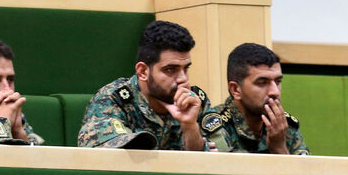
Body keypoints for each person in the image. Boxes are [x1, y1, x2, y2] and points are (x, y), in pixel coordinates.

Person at [78, 20, 209, 150]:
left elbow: (218, 161)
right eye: (170, 69)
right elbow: (102, 159)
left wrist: (190, 127)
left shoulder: (195, 101)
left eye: (185, 69)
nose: (183, 79)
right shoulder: (113, 100)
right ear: (143, 72)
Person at [201, 43, 307, 155]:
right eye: (262, 82)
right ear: (236, 90)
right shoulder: (215, 126)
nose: (275, 92)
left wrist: (279, 149)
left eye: (278, 81)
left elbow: (304, 172)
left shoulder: (284, 127)